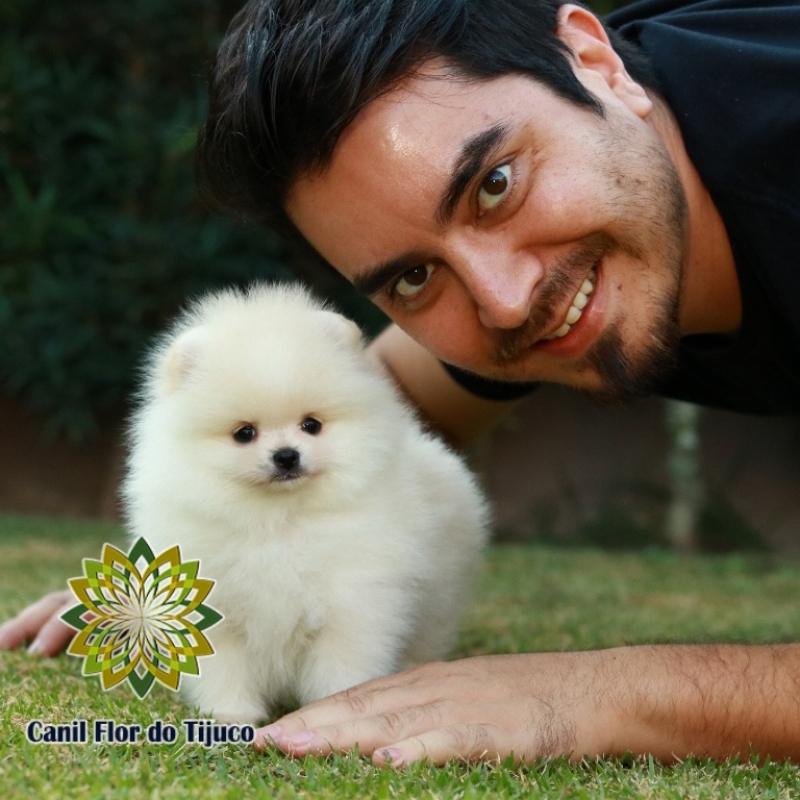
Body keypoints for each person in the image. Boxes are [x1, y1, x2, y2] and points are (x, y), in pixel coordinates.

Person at [2, 0, 799, 765]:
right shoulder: (568, 224)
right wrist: (193, 568)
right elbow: (377, 411)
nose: (504, 299)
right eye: (414, 277)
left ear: (595, 61)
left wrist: (609, 692)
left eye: (496, 184)